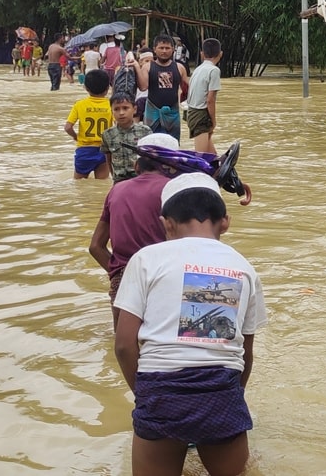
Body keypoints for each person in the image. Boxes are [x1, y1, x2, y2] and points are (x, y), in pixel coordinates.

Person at [113, 172, 267, 476]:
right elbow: (245, 355)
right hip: (221, 390)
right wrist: (230, 399)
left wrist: (146, 396)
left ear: (166, 223)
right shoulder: (245, 268)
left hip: (161, 389)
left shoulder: (146, 258)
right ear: (225, 222)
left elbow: (123, 345)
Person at [89, 133, 178, 327]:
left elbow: (95, 247)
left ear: (137, 166)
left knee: (123, 348)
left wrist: (118, 273)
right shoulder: (175, 190)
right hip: (164, 279)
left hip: (123, 282)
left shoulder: (116, 190)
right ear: (174, 165)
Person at [135, 34, 188, 141]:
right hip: (152, 111)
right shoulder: (147, 67)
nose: (164, 51)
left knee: (173, 145)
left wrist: (188, 107)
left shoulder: (180, 68)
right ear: (155, 49)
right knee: (151, 144)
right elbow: (143, 87)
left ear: (173, 49)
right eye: (161, 48)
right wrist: (136, 67)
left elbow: (187, 89)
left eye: (167, 48)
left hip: (173, 112)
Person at [64, 70, 113, 179]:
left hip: (84, 150)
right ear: (107, 88)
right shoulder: (111, 105)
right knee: (101, 184)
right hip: (104, 150)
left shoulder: (79, 105)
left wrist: (75, 136)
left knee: (79, 184)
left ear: (86, 87)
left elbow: (68, 127)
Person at [101, 93, 152, 183]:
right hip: (119, 181)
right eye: (116, 109)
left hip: (139, 180)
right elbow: (108, 158)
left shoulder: (145, 131)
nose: (121, 113)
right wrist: (113, 176)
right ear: (112, 111)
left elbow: (150, 157)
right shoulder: (107, 134)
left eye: (125, 108)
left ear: (134, 109)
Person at [187, 38, 223, 154]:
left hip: (191, 111)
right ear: (220, 54)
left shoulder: (198, 69)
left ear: (202, 54)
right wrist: (213, 122)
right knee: (200, 156)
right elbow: (210, 100)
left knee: (212, 157)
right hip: (200, 113)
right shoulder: (214, 70)